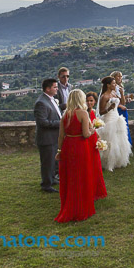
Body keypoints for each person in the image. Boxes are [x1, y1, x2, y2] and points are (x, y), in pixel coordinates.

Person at [54, 89, 97, 222]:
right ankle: (81, 208)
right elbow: (85, 134)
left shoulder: (65, 114)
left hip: (67, 146)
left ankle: (70, 206)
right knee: (81, 176)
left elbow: (61, 136)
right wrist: (92, 130)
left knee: (70, 177)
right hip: (79, 146)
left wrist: (59, 151)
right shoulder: (83, 113)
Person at [97, 76, 132, 171]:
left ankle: (118, 161)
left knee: (119, 139)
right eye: (113, 83)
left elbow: (123, 102)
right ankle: (108, 162)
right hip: (109, 118)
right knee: (110, 140)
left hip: (117, 117)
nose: (115, 85)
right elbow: (101, 111)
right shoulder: (104, 96)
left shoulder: (114, 93)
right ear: (108, 85)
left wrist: (121, 93)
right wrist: (109, 108)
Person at [34, 78, 61, 193]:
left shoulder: (50, 99)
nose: (57, 89)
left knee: (53, 161)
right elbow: (43, 123)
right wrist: (61, 123)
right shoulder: (41, 102)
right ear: (48, 89)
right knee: (47, 162)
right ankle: (46, 184)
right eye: (55, 87)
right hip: (46, 138)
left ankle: (52, 179)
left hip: (53, 137)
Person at [85, 92, 107, 201]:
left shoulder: (93, 112)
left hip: (93, 139)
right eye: (87, 100)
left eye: (91, 101)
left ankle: (95, 189)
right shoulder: (83, 113)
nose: (89, 103)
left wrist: (98, 137)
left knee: (95, 165)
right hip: (86, 140)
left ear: (94, 102)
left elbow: (94, 127)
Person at [112, 70, 132, 146]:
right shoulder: (113, 88)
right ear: (114, 78)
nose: (120, 78)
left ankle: (126, 145)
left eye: (121, 76)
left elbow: (122, 102)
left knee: (124, 127)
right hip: (116, 110)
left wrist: (126, 99)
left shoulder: (120, 87)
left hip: (121, 108)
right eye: (118, 76)